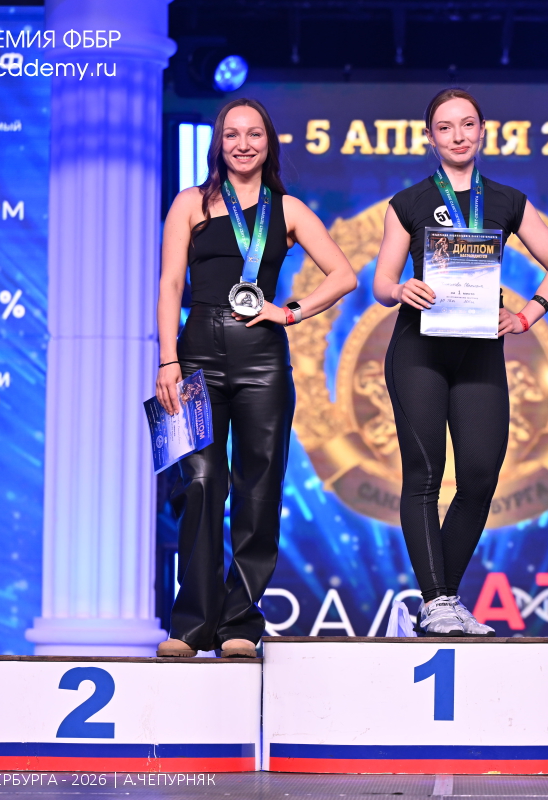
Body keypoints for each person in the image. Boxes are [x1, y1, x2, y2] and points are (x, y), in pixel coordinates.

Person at [155, 98, 357, 658]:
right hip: (195, 354)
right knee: (198, 484)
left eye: (254, 135)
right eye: (232, 134)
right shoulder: (190, 202)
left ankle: (240, 622)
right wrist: (167, 359)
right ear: (218, 144)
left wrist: (288, 313)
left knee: (259, 486)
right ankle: (190, 625)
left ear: (269, 144)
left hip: (263, 357)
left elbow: (343, 275)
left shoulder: (287, 209)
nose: (243, 144)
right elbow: (170, 283)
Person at [372, 88, 548, 636]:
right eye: (445, 127)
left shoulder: (507, 200)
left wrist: (529, 314)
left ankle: (442, 598)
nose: (458, 135)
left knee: (481, 475)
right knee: (424, 475)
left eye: (467, 125)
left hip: (480, 349)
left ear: (483, 131)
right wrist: (401, 288)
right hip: (418, 349)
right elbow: (381, 283)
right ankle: (438, 602)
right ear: (429, 137)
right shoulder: (408, 202)